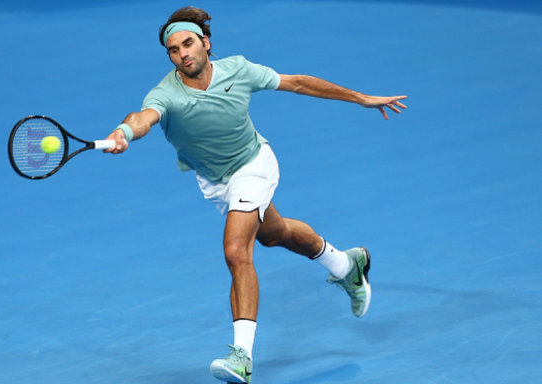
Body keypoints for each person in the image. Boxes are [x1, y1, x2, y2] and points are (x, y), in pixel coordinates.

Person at [104, 6, 407, 384]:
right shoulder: (165, 94)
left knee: (236, 250)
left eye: (189, 43)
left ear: (206, 43)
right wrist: (124, 132)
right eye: (174, 49)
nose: (183, 53)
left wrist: (360, 98)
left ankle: (241, 357)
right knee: (274, 234)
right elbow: (142, 116)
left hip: (254, 165)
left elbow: (296, 82)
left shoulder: (238, 69)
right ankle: (347, 266)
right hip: (215, 181)